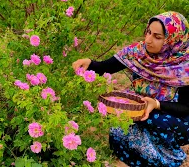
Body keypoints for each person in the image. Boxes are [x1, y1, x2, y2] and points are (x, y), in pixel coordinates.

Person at [72, 11, 189, 167]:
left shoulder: (184, 66)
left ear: (173, 40)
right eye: (148, 32)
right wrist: (89, 63)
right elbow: (105, 67)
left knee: (154, 119)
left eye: (157, 37)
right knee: (118, 128)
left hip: (176, 118)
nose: (148, 40)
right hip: (144, 109)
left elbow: (186, 107)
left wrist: (156, 104)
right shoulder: (138, 53)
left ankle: (170, 159)